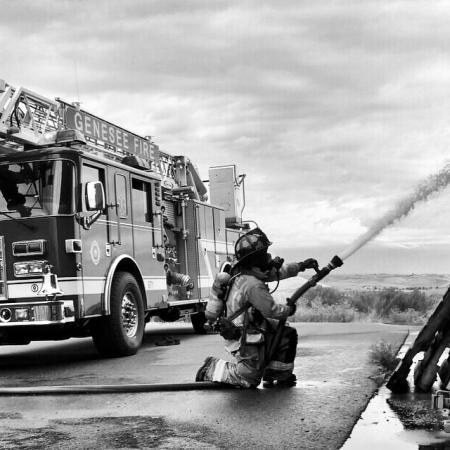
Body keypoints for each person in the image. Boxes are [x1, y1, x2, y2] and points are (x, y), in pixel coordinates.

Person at [195, 227, 318, 388]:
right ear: (254, 259)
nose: (268, 256)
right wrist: (289, 310)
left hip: (250, 328)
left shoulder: (246, 273)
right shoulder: (252, 284)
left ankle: (276, 373)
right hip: (243, 336)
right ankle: (210, 368)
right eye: (264, 253)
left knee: (286, 334)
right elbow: (271, 310)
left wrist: (302, 265)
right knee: (249, 378)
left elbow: (280, 272)